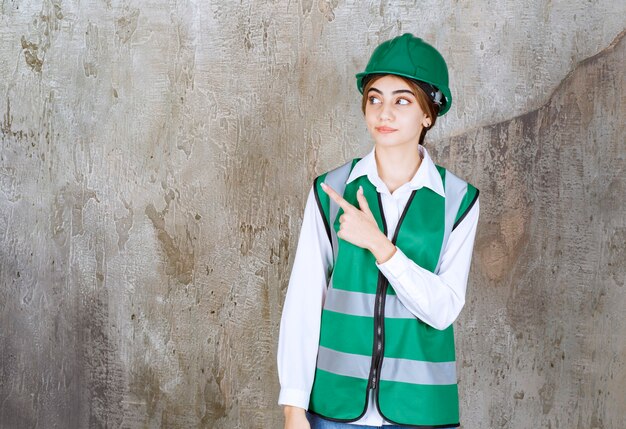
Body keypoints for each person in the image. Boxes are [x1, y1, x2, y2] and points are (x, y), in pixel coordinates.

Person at [277, 33, 480, 429]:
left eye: (401, 100)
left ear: (428, 114)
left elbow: (443, 309)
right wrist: (293, 406)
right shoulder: (330, 190)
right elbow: (304, 300)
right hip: (333, 408)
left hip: (421, 411)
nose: (384, 112)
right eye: (375, 98)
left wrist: (379, 246)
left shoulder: (459, 200)